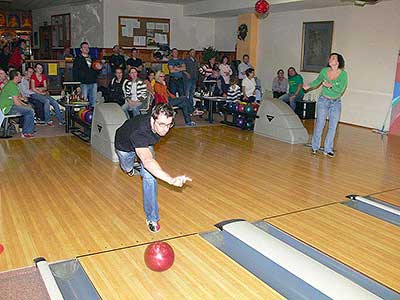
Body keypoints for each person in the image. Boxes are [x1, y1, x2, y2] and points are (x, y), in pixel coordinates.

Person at [114, 103, 192, 233]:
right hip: (124, 147)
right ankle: (130, 169)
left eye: (169, 125)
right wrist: (170, 180)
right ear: (152, 118)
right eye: (161, 124)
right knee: (127, 168)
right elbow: (148, 160)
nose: (165, 129)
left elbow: (149, 161)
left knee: (150, 177)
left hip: (144, 144)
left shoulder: (163, 124)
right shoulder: (139, 131)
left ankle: (152, 218)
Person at [303, 53, 348, 158]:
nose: (330, 59)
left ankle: (328, 149)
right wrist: (309, 86)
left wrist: (331, 86)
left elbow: (341, 89)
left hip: (336, 102)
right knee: (320, 124)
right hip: (323, 100)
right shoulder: (324, 71)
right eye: (330, 57)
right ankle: (315, 147)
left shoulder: (343, 74)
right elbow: (318, 81)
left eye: (333, 58)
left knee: (333, 126)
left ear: (338, 62)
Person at [0, 70, 35, 138]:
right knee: (29, 111)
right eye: (19, 75)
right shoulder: (12, 86)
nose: (21, 77)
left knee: (29, 108)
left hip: (9, 106)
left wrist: (25, 105)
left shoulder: (11, 84)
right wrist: (26, 107)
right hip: (6, 108)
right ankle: (26, 132)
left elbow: (17, 100)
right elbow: (16, 103)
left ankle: (27, 129)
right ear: (16, 77)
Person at [73, 41, 99, 106]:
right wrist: (77, 85)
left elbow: (96, 71)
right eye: (84, 47)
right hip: (83, 83)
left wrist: (99, 69)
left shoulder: (93, 59)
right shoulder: (77, 59)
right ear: (81, 49)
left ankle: (93, 115)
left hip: (93, 83)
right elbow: (75, 73)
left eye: (87, 47)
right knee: (83, 103)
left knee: (93, 102)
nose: (86, 49)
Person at [183, 48, 200, 113]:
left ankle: (190, 108)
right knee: (187, 94)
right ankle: (187, 108)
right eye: (192, 52)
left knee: (192, 94)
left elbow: (197, 69)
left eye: (194, 52)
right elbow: (183, 69)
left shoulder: (196, 60)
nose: (194, 54)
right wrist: (186, 73)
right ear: (189, 53)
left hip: (194, 79)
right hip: (188, 79)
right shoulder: (186, 60)